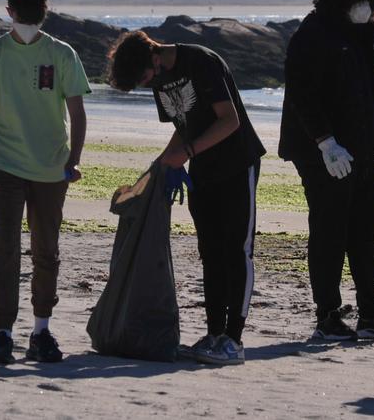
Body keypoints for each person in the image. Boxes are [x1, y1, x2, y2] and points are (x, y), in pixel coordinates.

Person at [106, 30, 266, 365]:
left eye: (146, 77)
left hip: (237, 165)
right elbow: (183, 125)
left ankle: (233, 340)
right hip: (202, 171)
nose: (148, 83)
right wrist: (160, 166)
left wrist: (187, 152)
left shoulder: (200, 62)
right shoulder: (159, 81)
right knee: (210, 253)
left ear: (153, 55)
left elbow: (230, 121)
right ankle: (213, 334)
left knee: (237, 251)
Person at [278, 0, 374, 341]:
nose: (372, 8)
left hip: (362, 150)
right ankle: (327, 315)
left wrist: (368, 23)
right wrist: (325, 143)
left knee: (368, 232)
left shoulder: (357, 34)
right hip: (324, 153)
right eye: (366, 1)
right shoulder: (312, 34)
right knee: (329, 233)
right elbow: (303, 95)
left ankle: (371, 312)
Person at [0, 0, 91, 364]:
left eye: (33, 12)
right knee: (6, 250)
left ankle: (41, 330)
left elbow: (78, 112)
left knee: (46, 251)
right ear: (10, 12)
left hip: (52, 169)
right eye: (24, 11)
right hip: (4, 165)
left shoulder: (62, 54)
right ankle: (3, 332)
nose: (27, 17)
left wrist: (74, 160)